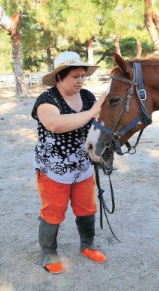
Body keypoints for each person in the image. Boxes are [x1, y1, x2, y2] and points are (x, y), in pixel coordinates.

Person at [31, 51, 107, 274]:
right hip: (53, 168)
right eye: (75, 76)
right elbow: (55, 124)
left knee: (86, 209)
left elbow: (97, 124)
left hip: (82, 165)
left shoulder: (88, 97)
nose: (81, 80)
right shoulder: (46, 101)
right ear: (59, 78)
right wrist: (92, 111)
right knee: (53, 211)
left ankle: (87, 245)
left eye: (83, 76)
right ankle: (48, 253)